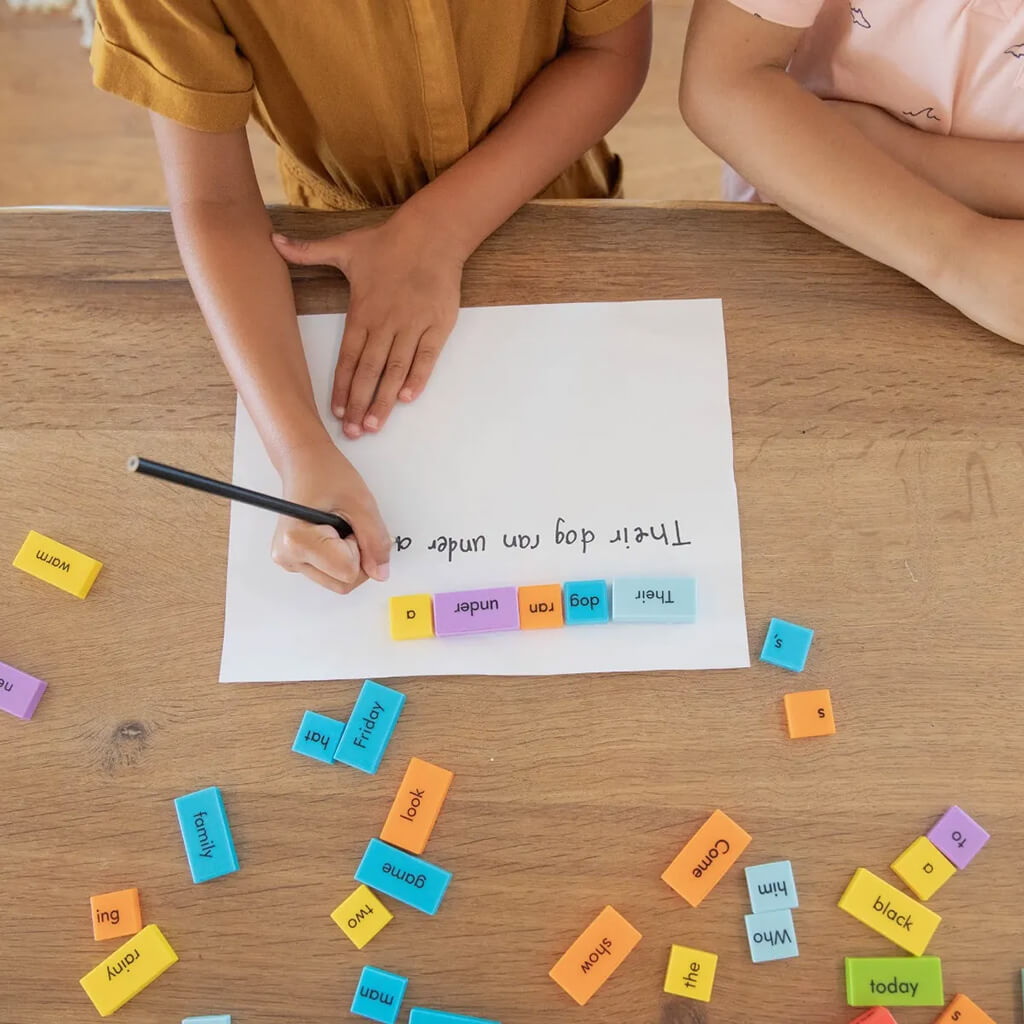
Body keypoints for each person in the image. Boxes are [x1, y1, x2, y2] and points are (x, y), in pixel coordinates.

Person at [91, 0, 652, 594]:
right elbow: (214, 201)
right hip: (340, 239)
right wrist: (298, 449)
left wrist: (436, 233)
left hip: (557, 206)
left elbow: (612, 54)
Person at [679, 0, 1024, 348]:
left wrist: (901, 151)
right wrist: (964, 254)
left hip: (826, 178)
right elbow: (723, 81)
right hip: (810, 224)